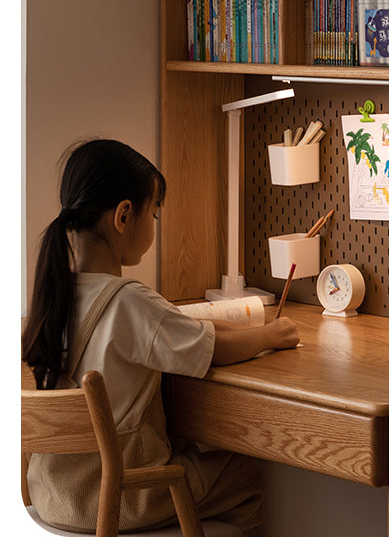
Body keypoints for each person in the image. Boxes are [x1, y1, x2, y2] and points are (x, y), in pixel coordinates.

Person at [22, 138, 299, 534]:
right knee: (244, 477)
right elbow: (213, 348)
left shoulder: (54, 299)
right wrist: (271, 334)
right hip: (124, 499)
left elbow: (185, 327)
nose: (153, 224)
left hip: (55, 496)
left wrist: (247, 328)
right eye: (154, 214)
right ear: (123, 216)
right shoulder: (128, 301)